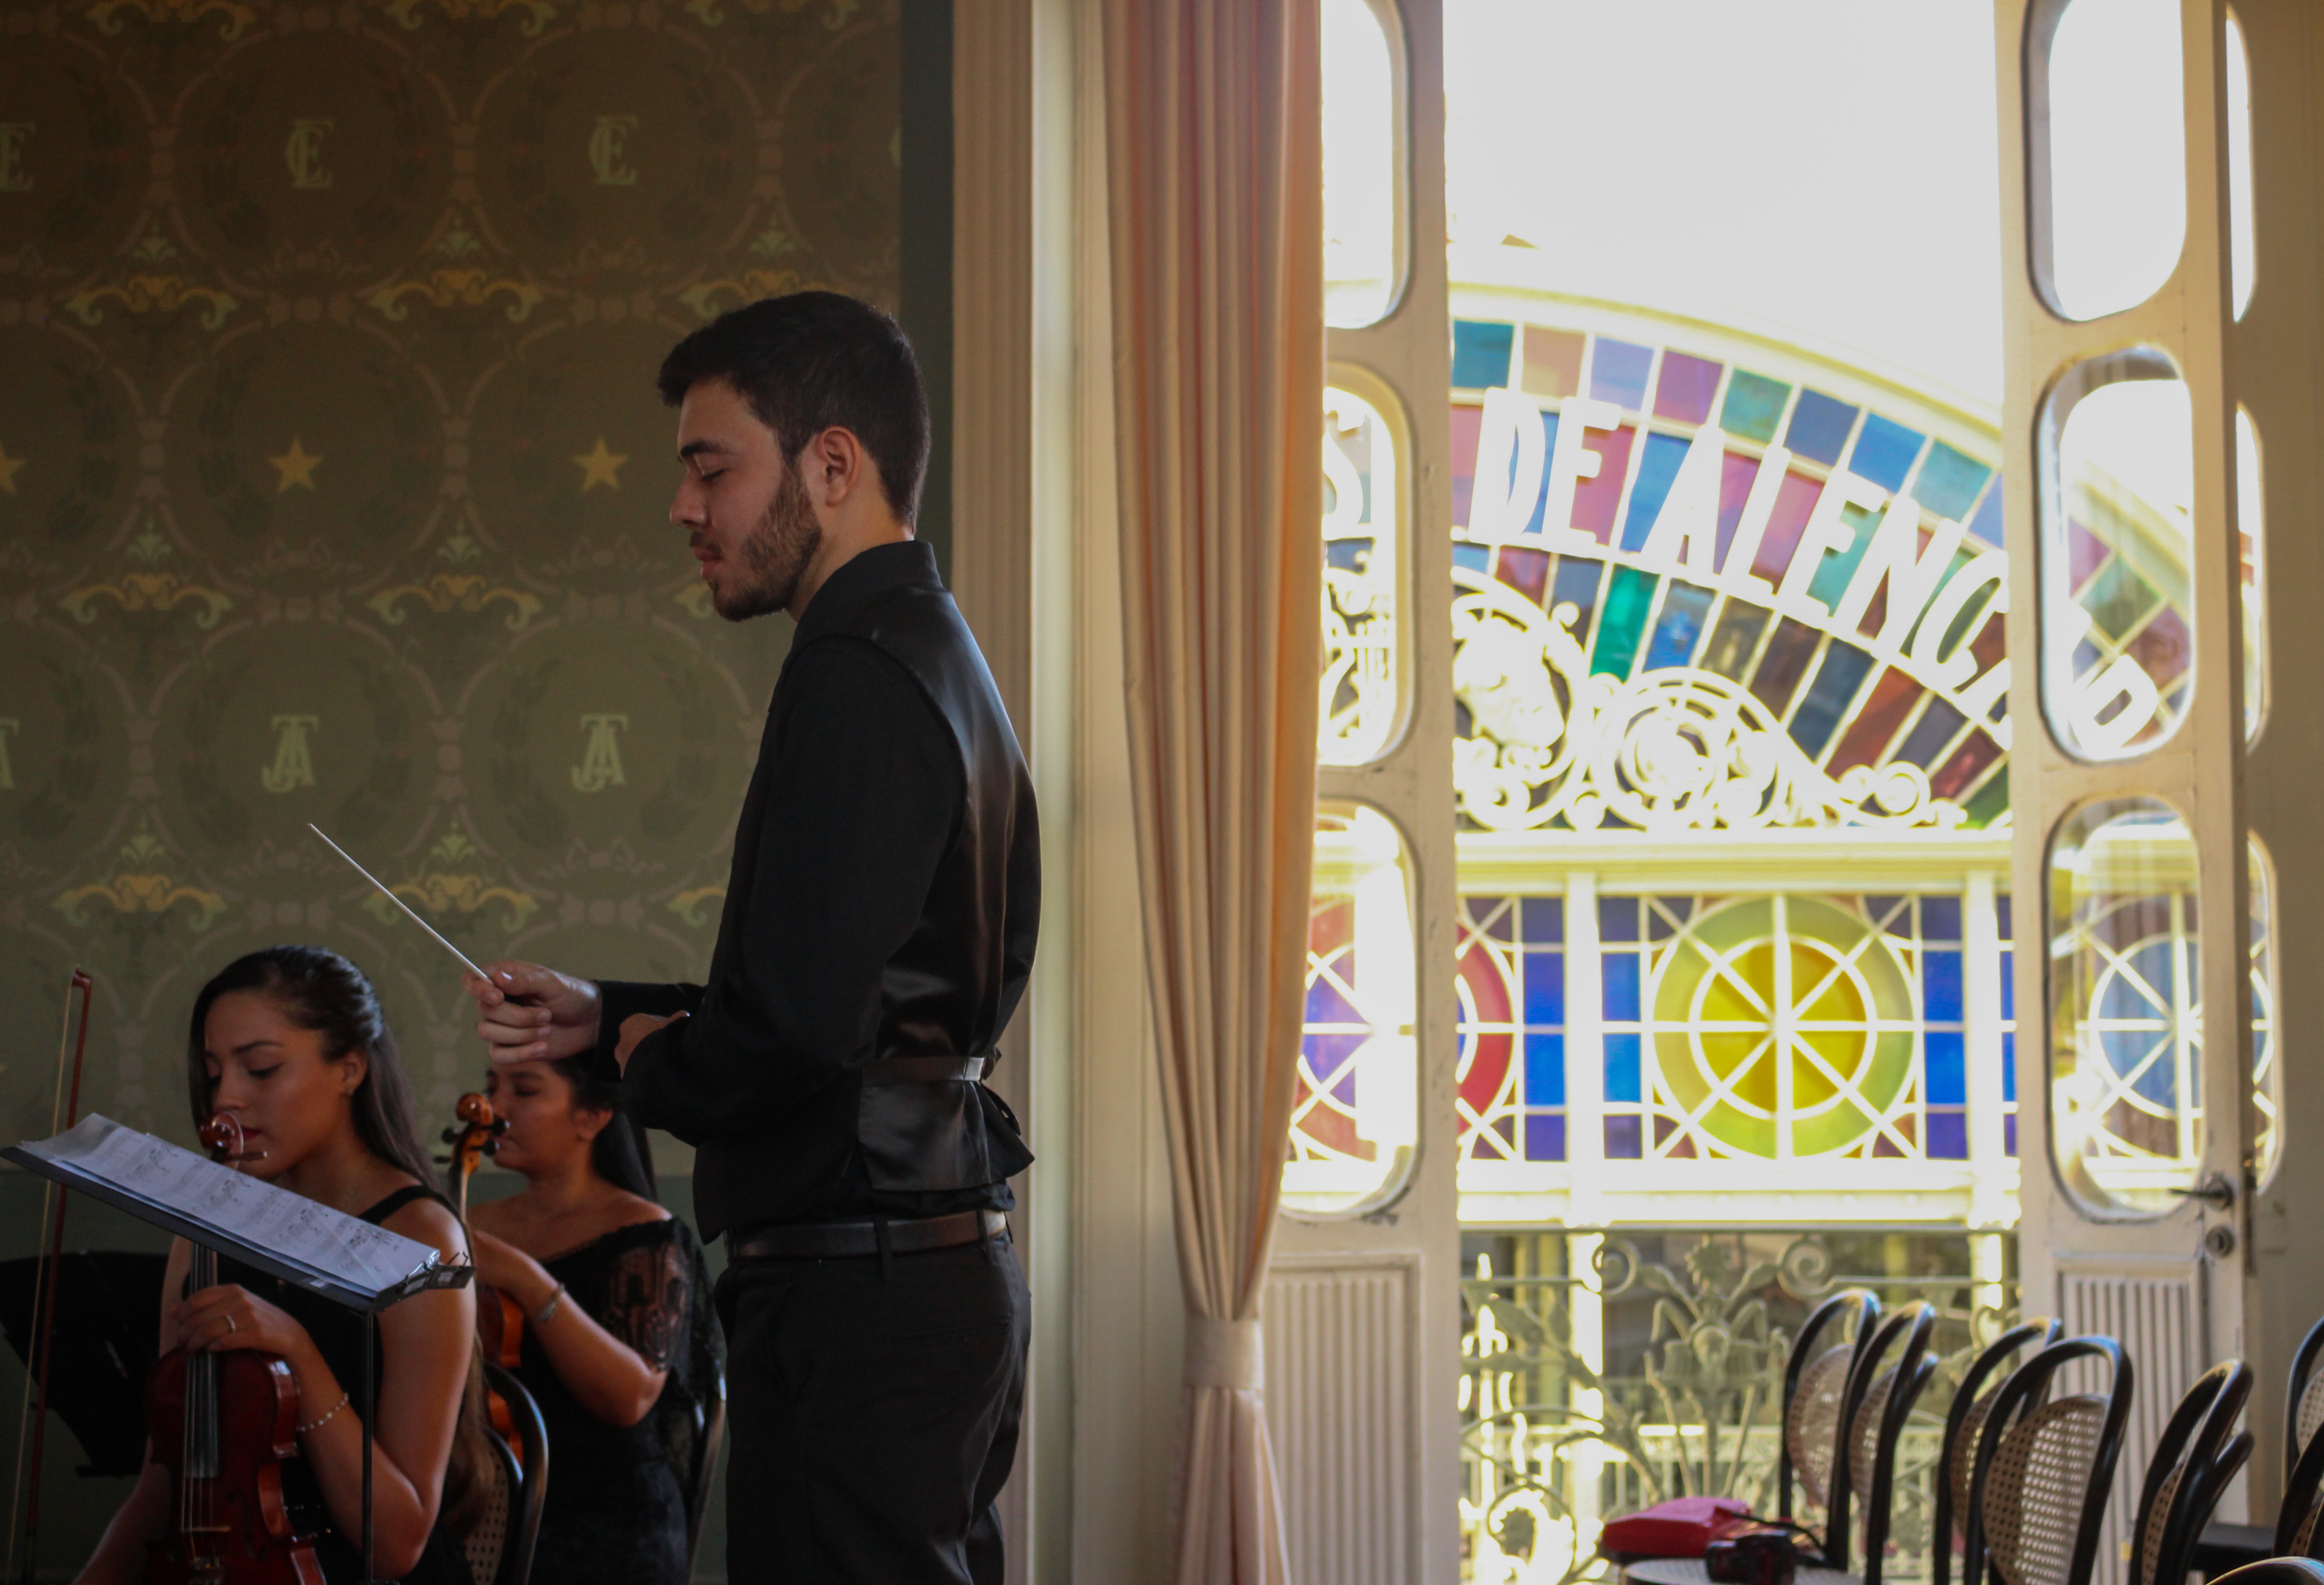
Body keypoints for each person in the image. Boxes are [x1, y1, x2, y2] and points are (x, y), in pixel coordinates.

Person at [463, 290, 1038, 1585]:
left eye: (710, 467)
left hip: (861, 1293)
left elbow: (792, 1031)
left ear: (831, 465)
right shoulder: (925, 648)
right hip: (914, 1271)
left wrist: (645, 1059)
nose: (684, 507)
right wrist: (606, 1016)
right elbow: (857, 996)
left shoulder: (857, 667)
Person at [78, 946, 485, 1585]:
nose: (226, 1099)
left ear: (350, 1069)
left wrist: (297, 1351)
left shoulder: (421, 1239)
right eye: (214, 1072)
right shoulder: (206, 1226)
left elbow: (396, 1545)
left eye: (262, 1069)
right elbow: (165, 1481)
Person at [466, 1054, 721, 1585]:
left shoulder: (648, 1236)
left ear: (593, 1117)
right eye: (493, 1087)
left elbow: (629, 1398)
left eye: (525, 1091)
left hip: (608, 1521)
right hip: (490, 1499)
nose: (495, 1108)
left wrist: (524, 1277)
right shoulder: (472, 1223)